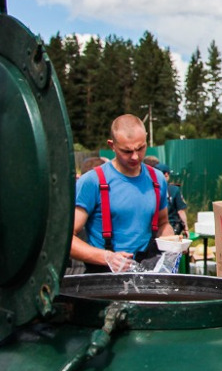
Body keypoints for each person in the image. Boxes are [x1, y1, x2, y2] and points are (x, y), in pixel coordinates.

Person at [71, 115, 172, 273]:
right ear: (112, 145)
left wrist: (172, 244)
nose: (135, 156)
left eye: (140, 148)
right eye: (127, 151)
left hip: (146, 273)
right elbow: (67, 240)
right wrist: (107, 257)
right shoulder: (92, 181)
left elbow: (163, 223)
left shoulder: (157, 179)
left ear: (146, 139)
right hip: (103, 276)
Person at [146, 157, 189, 236]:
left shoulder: (147, 190)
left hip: (152, 231)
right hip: (172, 229)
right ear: (166, 175)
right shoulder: (174, 189)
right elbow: (181, 211)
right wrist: (186, 227)